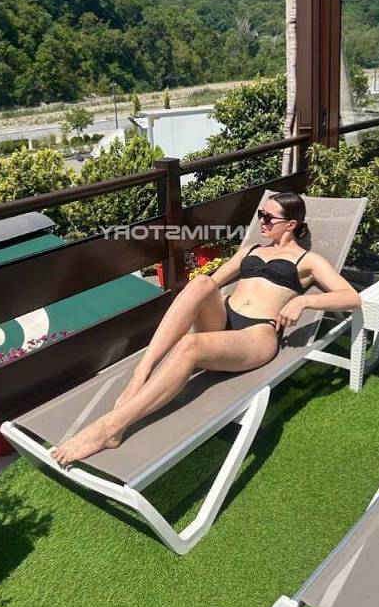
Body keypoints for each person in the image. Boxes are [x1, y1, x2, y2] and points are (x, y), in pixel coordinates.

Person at [51, 191, 361, 465]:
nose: (261, 221)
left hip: (256, 334)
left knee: (190, 345)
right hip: (223, 319)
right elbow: (213, 283)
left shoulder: (308, 260)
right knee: (201, 282)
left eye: (268, 217)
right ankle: (141, 373)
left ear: (290, 224)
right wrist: (203, 298)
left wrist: (304, 301)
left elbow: (350, 297)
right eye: (260, 214)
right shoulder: (250, 250)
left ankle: (111, 428)